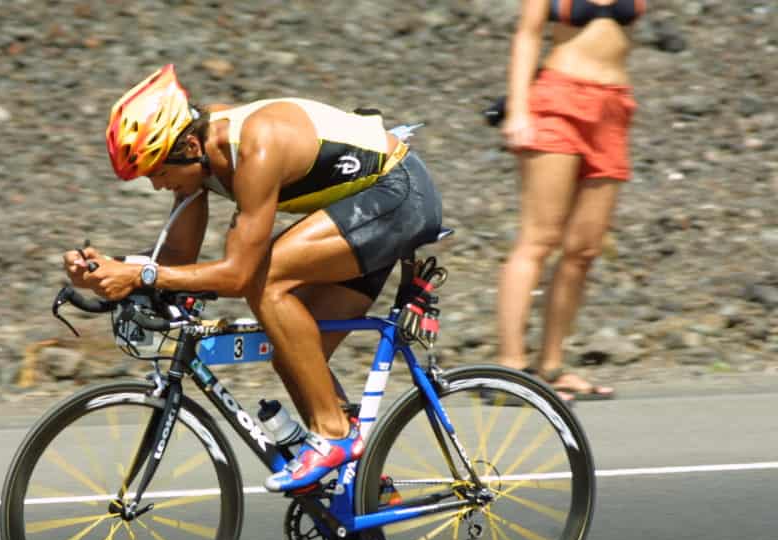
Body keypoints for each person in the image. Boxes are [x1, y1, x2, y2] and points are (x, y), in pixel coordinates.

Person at [63, 64, 443, 491]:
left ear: (189, 145)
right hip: (362, 212)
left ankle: (333, 433)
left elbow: (240, 275)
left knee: (266, 279)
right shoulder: (198, 163)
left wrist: (140, 274)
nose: (156, 185)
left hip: (399, 196)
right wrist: (109, 272)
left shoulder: (256, 147)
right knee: (294, 355)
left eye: (157, 171)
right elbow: (174, 259)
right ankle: (369, 492)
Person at [497, 0, 645, 400]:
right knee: (539, 239)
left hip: (614, 107)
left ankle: (552, 366)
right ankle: (510, 369)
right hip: (557, 101)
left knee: (584, 249)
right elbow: (527, 35)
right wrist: (518, 110)